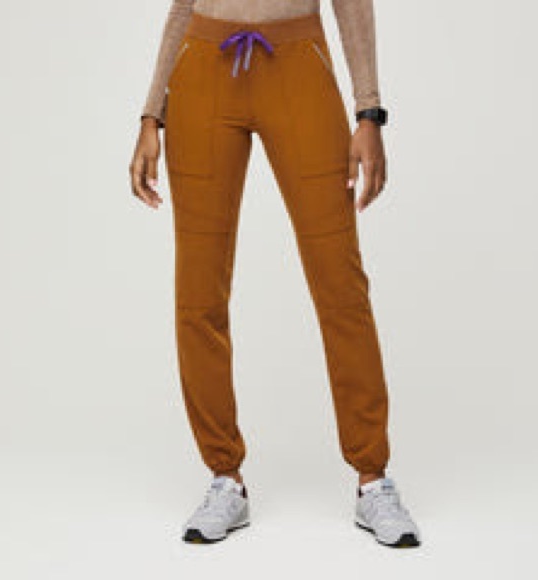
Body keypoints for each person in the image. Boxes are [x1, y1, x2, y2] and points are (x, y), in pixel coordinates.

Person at [129, 0, 421, 548]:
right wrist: (151, 115)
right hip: (202, 71)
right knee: (198, 291)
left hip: (298, 65)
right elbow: (183, 6)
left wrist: (369, 112)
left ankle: (372, 478)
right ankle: (225, 476)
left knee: (339, 282)